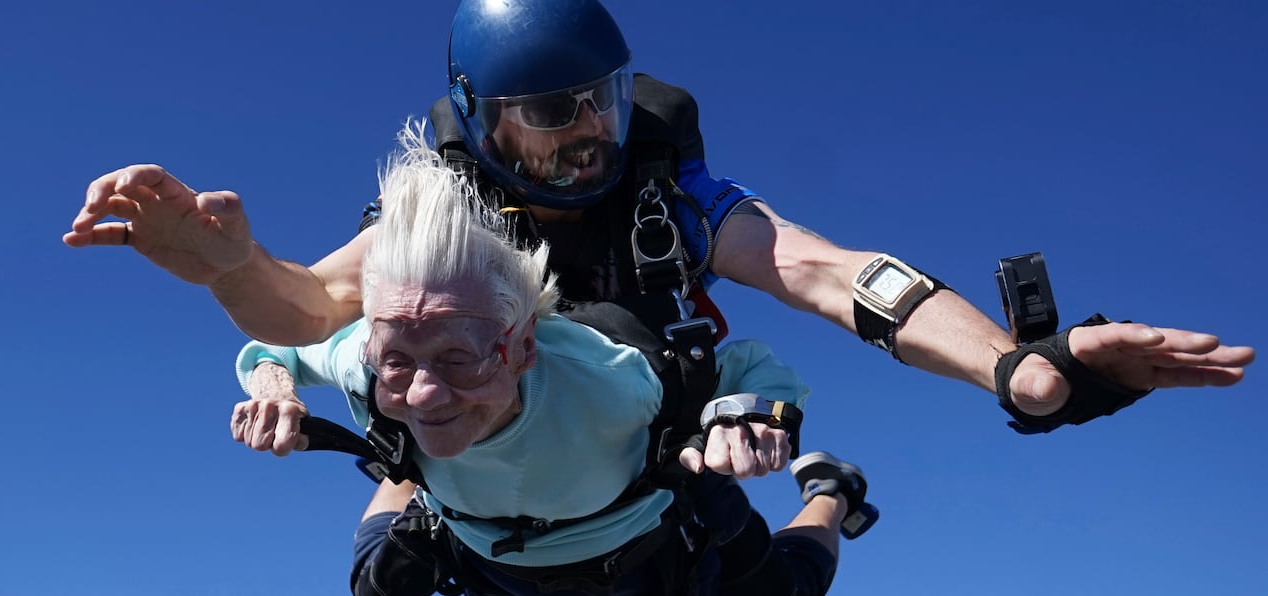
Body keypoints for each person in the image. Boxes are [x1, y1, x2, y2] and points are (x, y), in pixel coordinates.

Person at [64, 0, 1254, 434]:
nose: (582, 131)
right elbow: (319, 308)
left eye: (599, 100)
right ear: (482, 121)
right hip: (488, 443)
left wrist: (1016, 369)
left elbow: (827, 274)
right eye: (545, 113)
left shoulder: (664, 195)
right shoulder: (449, 201)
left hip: (660, 458)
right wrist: (224, 267)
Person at [230, 123, 865, 596]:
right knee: (378, 591)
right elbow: (273, 346)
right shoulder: (368, 353)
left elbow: (755, 368)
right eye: (396, 359)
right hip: (488, 550)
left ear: (524, 347)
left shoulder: (615, 377)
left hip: (642, 549)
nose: (424, 390)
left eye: (461, 358)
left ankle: (832, 491)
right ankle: (416, 469)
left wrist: (742, 417)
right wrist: (275, 389)